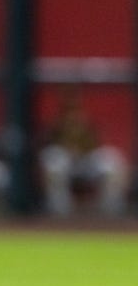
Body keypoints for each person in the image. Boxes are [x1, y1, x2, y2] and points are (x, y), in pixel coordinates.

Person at [38, 88, 129, 216]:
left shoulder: (86, 122)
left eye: (75, 104)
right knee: (53, 158)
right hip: (67, 163)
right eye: (69, 105)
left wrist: (82, 146)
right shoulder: (57, 125)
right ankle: (59, 210)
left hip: (86, 162)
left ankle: (111, 209)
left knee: (113, 158)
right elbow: (48, 145)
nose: (73, 108)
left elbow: (96, 145)